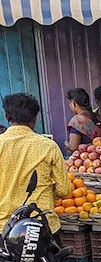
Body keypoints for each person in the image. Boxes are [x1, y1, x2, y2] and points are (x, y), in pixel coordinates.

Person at [0, 93, 70, 239]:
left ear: (7, 117)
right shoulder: (48, 146)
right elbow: (63, 190)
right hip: (41, 224)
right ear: (35, 118)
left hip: (4, 227)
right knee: (53, 261)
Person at [64, 88, 101, 152]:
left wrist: (66, 144)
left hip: (88, 160)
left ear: (73, 103)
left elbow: (73, 147)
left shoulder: (77, 121)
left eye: (69, 103)